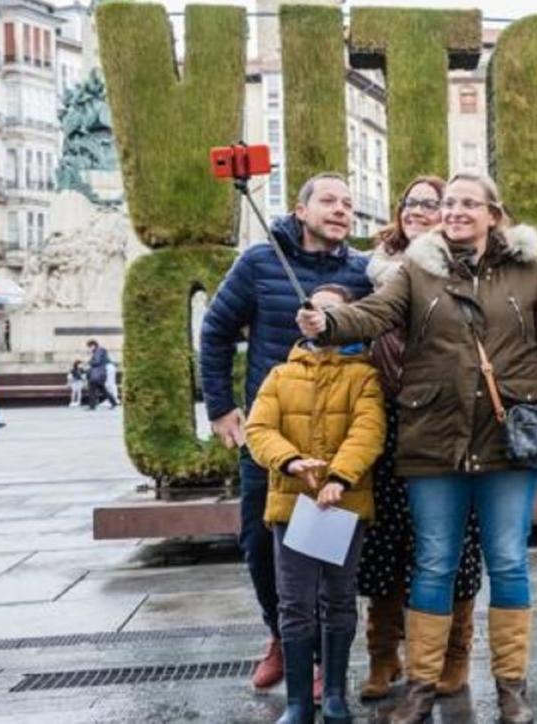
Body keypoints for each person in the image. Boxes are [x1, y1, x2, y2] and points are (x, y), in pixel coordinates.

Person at [297, 172, 537, 724]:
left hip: (508, 444)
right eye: (449, 203)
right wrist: (328, 322)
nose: (454, 211)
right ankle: (422, 687)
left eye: (467, 203)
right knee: (433, 563)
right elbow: (374, 314)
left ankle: (510, 688)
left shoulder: (530, 274)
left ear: (493, 215)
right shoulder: (416, 270)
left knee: (508, 562)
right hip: (433, 441)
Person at [200, 173, 372, 692]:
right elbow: (215, 330)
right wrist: (222, 407)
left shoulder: (361, 272)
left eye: (347, 203)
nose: (340, 210)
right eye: (328, 200)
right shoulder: (259, 262)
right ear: (300, 210)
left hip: (337, 439)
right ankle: (281, 636)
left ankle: (320, 657)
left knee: (328, 547)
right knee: (260, 540)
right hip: (271, 436)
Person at [356, 176, 485, 702]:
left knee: (456, 540)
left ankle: (455, 654)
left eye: (433, 204)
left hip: (448, 418)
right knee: (384, 540)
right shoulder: (369, 267)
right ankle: (384, 655)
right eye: (412, 203)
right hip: (387, 417)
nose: (420, 210)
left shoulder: (462, 268)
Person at [246, 284, 386, 724]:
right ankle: (299, 701)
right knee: (295, 603)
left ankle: (337, 694)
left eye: (332, 311)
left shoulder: (364, 375)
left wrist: (340, 478)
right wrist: (289, 461)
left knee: (340, 598)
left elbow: (369, 430)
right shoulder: (280, 376)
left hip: (343, 504)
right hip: (292, 507)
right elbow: (259, 429)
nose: (319, 315)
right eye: (314, 307)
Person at [85, 340, 119, 410]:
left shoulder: (98, 351)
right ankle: (114, 402)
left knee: (92, 388)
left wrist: (89, 361)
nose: (89, 349)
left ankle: (92, 406)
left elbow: (97, 362)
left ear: (93, 345)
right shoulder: (99, 351)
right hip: (100, 373)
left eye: (89, 347)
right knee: (103, 389)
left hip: (98, 373)